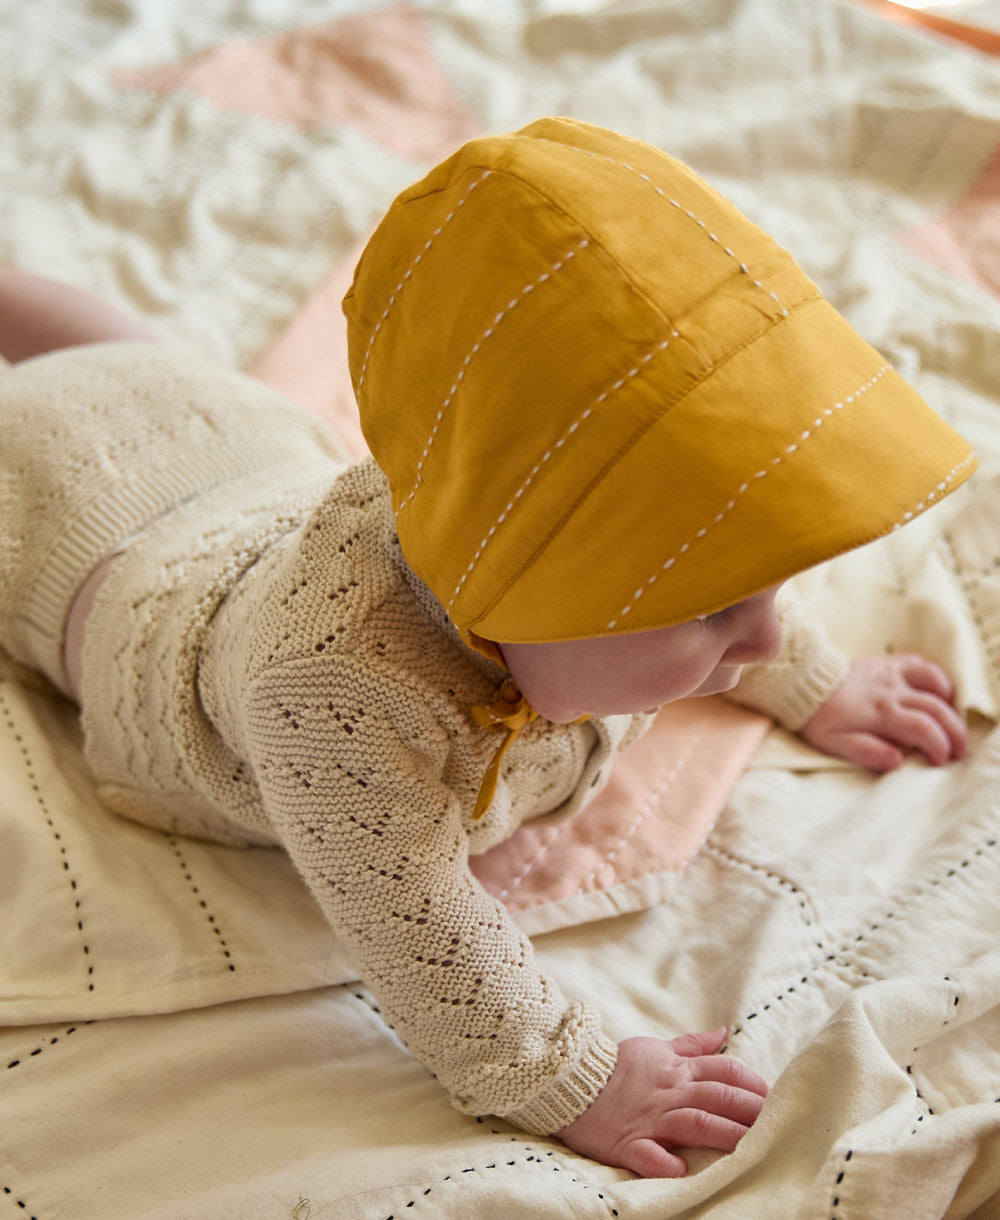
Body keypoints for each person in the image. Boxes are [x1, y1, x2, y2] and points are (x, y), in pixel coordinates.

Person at [0, 117, 974, 1179]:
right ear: (524, 589)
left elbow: (732, 555)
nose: (765, 637)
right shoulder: (330, 694)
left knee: (138, 362)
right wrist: (572, 1075)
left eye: (765, 597)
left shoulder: (574, 568)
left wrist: (815, 685)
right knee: (80, 382)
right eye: (708, 612)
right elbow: (413, 918)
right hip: (61, 526)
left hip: (220, 439)